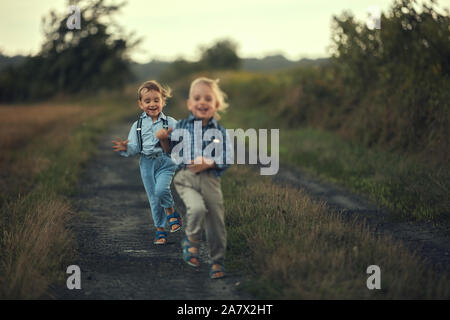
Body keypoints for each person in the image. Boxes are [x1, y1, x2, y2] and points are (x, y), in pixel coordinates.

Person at [156, 77, 233, 279]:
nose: (202, 102)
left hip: (210, 181)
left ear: (216, 105)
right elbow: (169, 151)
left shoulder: (220, 132)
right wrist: (164, 139)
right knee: (197, 208)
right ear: (190, 104)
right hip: (186, 178)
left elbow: (228, 156)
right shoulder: (181, 126)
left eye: (208, 98)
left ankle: (217, 262)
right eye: (197, 98)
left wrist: (210, 162)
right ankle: (191, 240)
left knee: (216, 221)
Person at [112, 80, 182, 245]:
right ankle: (160, 230)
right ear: (141, 104)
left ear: (163, 102)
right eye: (147, 101)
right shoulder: (137, 125)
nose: (152, 104)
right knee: (153, 198)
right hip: (147, 163)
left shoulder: (171, 122)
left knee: (161, 190)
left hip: (165, 162)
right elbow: (135, 148)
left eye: (156, 100)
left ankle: (172, 212)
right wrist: (125, 148)